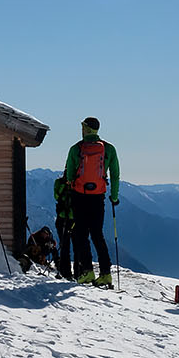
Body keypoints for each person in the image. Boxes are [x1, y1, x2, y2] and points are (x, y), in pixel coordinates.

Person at [61, 117, 120, 287]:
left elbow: (70, 174)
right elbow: (115, 175)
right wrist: (114, 197)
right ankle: (106, 273)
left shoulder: (75, 149)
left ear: (85, 129)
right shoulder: (109, 149)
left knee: (81, 234)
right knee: (97, 234)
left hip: (79, 196)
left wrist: (72, 185)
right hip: (98, 197)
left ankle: (87, 270)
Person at [52, 171, 75, 280]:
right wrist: (64, 185)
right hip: (63, 217)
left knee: (77, 245)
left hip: (73, 219)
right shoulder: (59, 182)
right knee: (65, 245)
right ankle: (66, 272)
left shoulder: (77, 182)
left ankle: (77, 272)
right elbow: (57, 196)